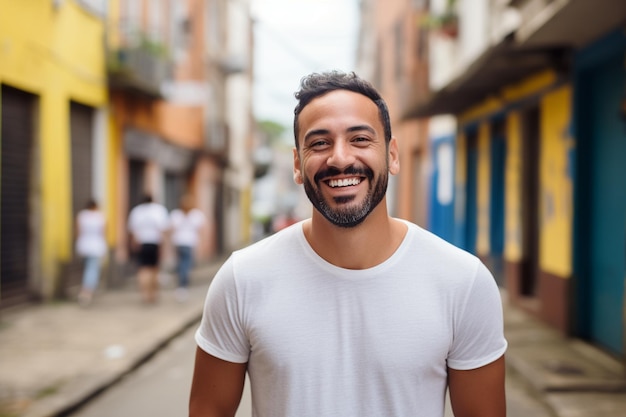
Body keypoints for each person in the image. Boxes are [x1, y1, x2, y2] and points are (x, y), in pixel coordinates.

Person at [190, 71, 507, 417]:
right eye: (320, 143)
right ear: (298, 165)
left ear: (393, 155)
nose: (339, 159)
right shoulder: (242, 279)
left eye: (359, 139)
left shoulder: (463, 281)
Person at [128, 194, 169, 304]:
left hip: (141, 243)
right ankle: (153, 294)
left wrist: (133, 245)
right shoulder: (159, 210)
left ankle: (145, 294)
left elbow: (132, 231)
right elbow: (163, 230)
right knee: (154, 269)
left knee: (143, 270)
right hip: (155, 243)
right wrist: (164, 246)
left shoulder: (136, 212)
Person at [169, 194, 206, 302]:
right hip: (189, 243)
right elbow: (201, 230)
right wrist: (201, 244)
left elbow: (171, 230)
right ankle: (182, 286)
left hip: (178, 242)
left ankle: (181, 285)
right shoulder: (196, 215)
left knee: (181, 264)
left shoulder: (176, 215)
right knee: (185, 264)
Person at [75, 199, 107, 307]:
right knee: (92, 270)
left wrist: (78, 245)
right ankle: (86, 292)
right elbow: (103, 233)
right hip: (96, 247)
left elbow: (78, 232)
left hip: (84, 245)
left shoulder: (82, 216)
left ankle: (87, 291)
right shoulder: (100, 216)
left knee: (87, 268)